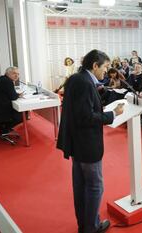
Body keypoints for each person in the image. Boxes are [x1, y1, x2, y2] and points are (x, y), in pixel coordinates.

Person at [57, 50, 124, 233]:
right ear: (95, 65)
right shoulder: (85, 83)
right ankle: (91, 227)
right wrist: (112, 114)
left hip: (76, 143)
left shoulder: (77, 79)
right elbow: (86, 117)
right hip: (87, 145)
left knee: (80, 187)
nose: (106, 71)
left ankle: (85, 225)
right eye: (105, 67)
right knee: (95, 187)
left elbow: (80, 110)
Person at [0, 67, 23, 134]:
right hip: (0, 111)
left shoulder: (2, 78)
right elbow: (13, 97)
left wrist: (16, 94)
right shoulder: (8, 82)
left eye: (18, 74)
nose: (17, 76)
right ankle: (5, 129)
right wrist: (18, 95)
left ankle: (3, 128)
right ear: (7, 73)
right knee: (22, 114)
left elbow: (8, 93)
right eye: (14, 73)